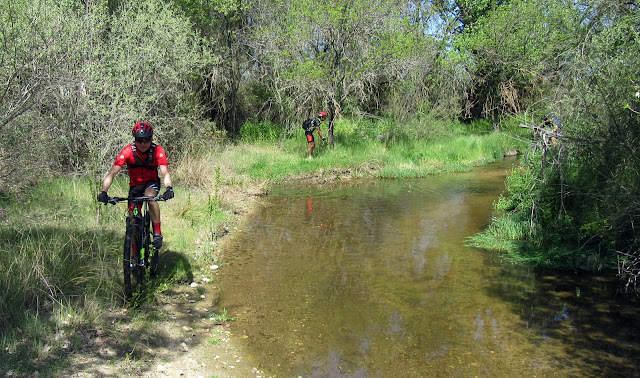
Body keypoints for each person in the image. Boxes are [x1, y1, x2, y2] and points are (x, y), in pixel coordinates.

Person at [97, 121, 174, 248]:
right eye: (139, 140)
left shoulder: (157, 151)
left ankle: (157, 233)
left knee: (150, 196)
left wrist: (169, 188)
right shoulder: (128, 151)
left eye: (146, 140)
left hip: (151, 183)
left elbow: (165, 173)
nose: (143, 144)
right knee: (132, 221)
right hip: (135, 186)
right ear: (135, 140)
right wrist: (104, 191)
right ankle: (133, 256)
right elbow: (112, 173)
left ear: (151, 139)